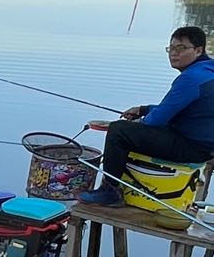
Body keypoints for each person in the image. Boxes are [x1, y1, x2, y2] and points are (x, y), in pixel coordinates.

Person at [81, 26, 214, 206]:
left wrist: (139, 122)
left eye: (180, 48)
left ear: (198, 50)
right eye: (171, 48)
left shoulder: (190, 78)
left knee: (119, 131)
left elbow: (156, 121)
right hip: (204, 144)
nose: (173, 54)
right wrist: (144, 109)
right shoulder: (207, 71)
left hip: (193, 147)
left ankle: (110, 191)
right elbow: (181, 109)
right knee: (130, 130)